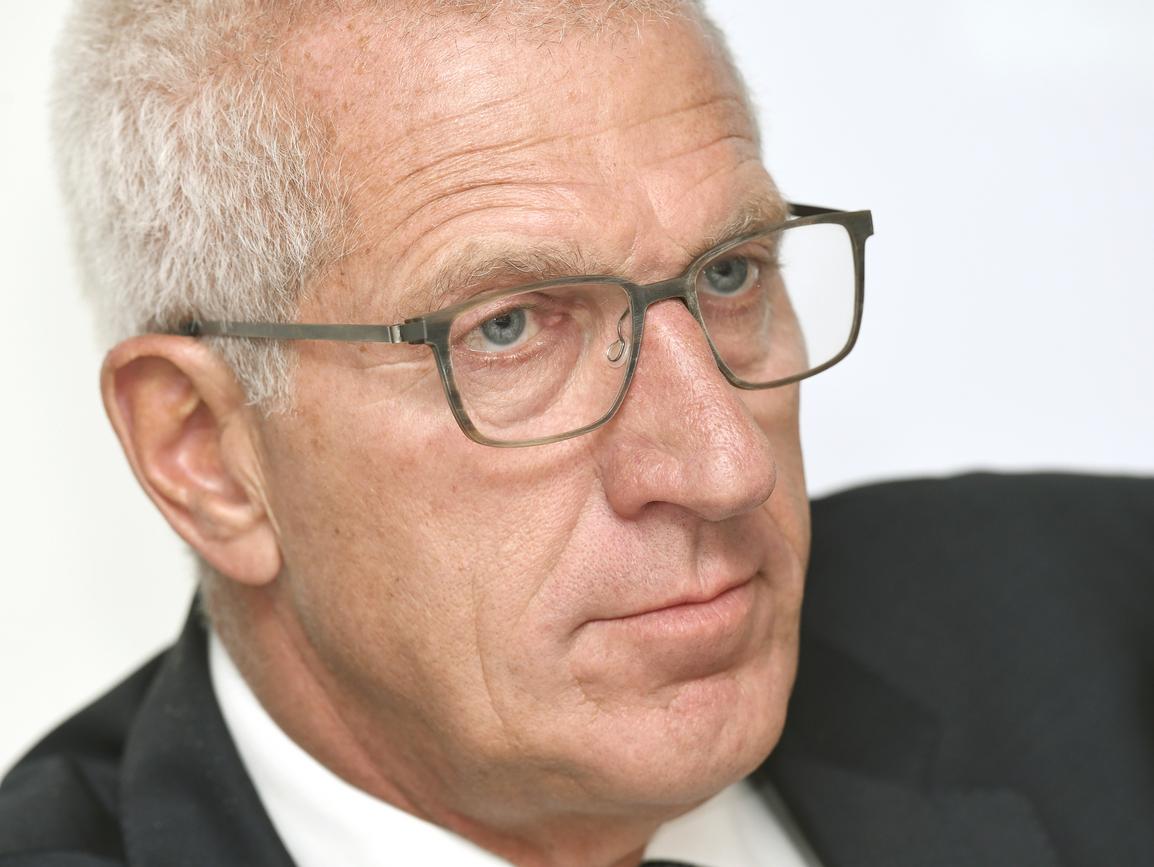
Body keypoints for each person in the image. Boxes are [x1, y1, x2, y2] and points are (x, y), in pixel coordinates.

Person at [2, 1, 1151, 866]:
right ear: (207, 454)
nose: (726, 466)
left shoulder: (1106, 625)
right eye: (506, 327)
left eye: (729, 272)